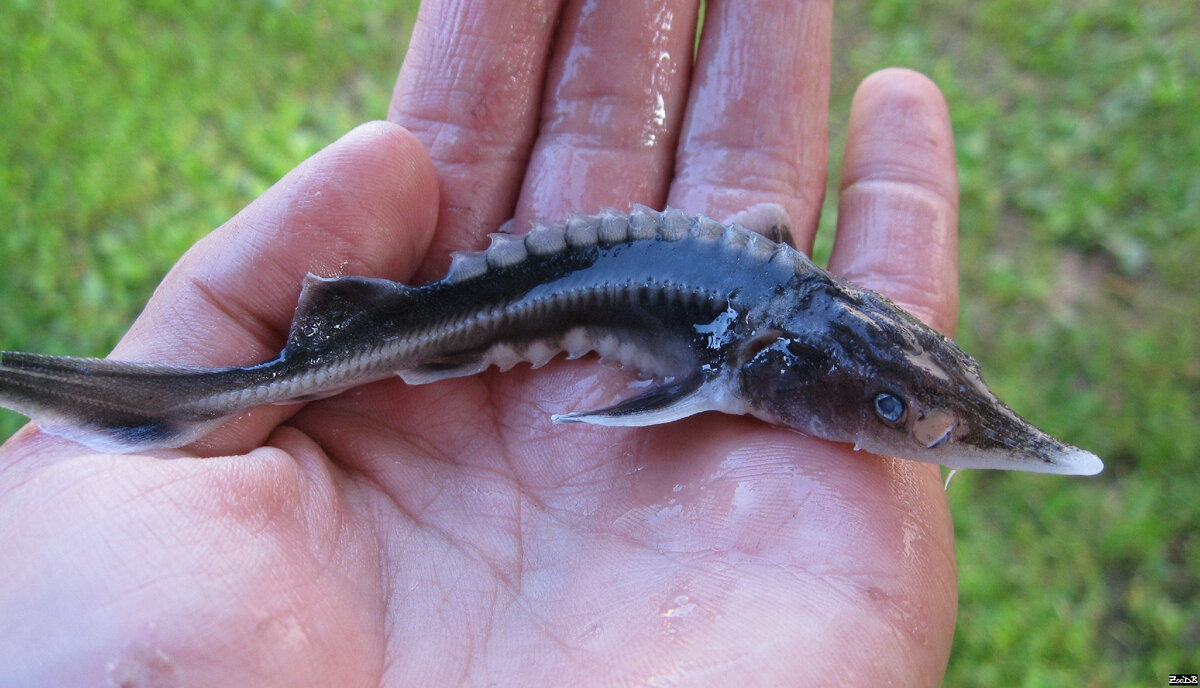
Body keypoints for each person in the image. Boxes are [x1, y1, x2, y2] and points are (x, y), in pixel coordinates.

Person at [0, 0, 960, 684]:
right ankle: (155, 411)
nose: (901, 428)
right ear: (758, 372)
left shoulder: (775, 307)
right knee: (351, 344)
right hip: (473, 317)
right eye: (890, 408)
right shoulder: (745, 349)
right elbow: (692, 365)